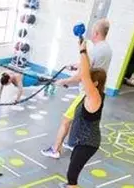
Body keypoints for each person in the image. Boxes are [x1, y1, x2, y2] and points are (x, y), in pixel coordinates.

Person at [42, 19, 112, 159]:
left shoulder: (95, 51)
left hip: (86, 93)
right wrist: (77, 65)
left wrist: (64, 81)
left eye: (92, 31)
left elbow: (82, 75)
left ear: (96, 33)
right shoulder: (107, 49)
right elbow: (91, 67)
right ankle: (72, 143)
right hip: (97, 91)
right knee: (77, 119)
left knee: (66, 120)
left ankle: (55, 149)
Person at [52, 40, 108, 188]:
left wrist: (83, 51)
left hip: (88, 143)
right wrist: (84, 54)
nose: (84, 82)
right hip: (81, 140)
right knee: (73, 165)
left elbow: (84, 75)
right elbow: (85, 72)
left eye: (89, 81)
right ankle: (70, 185)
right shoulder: (93, 95)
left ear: (95, 84)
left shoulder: (94, 98)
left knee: (72, 173)